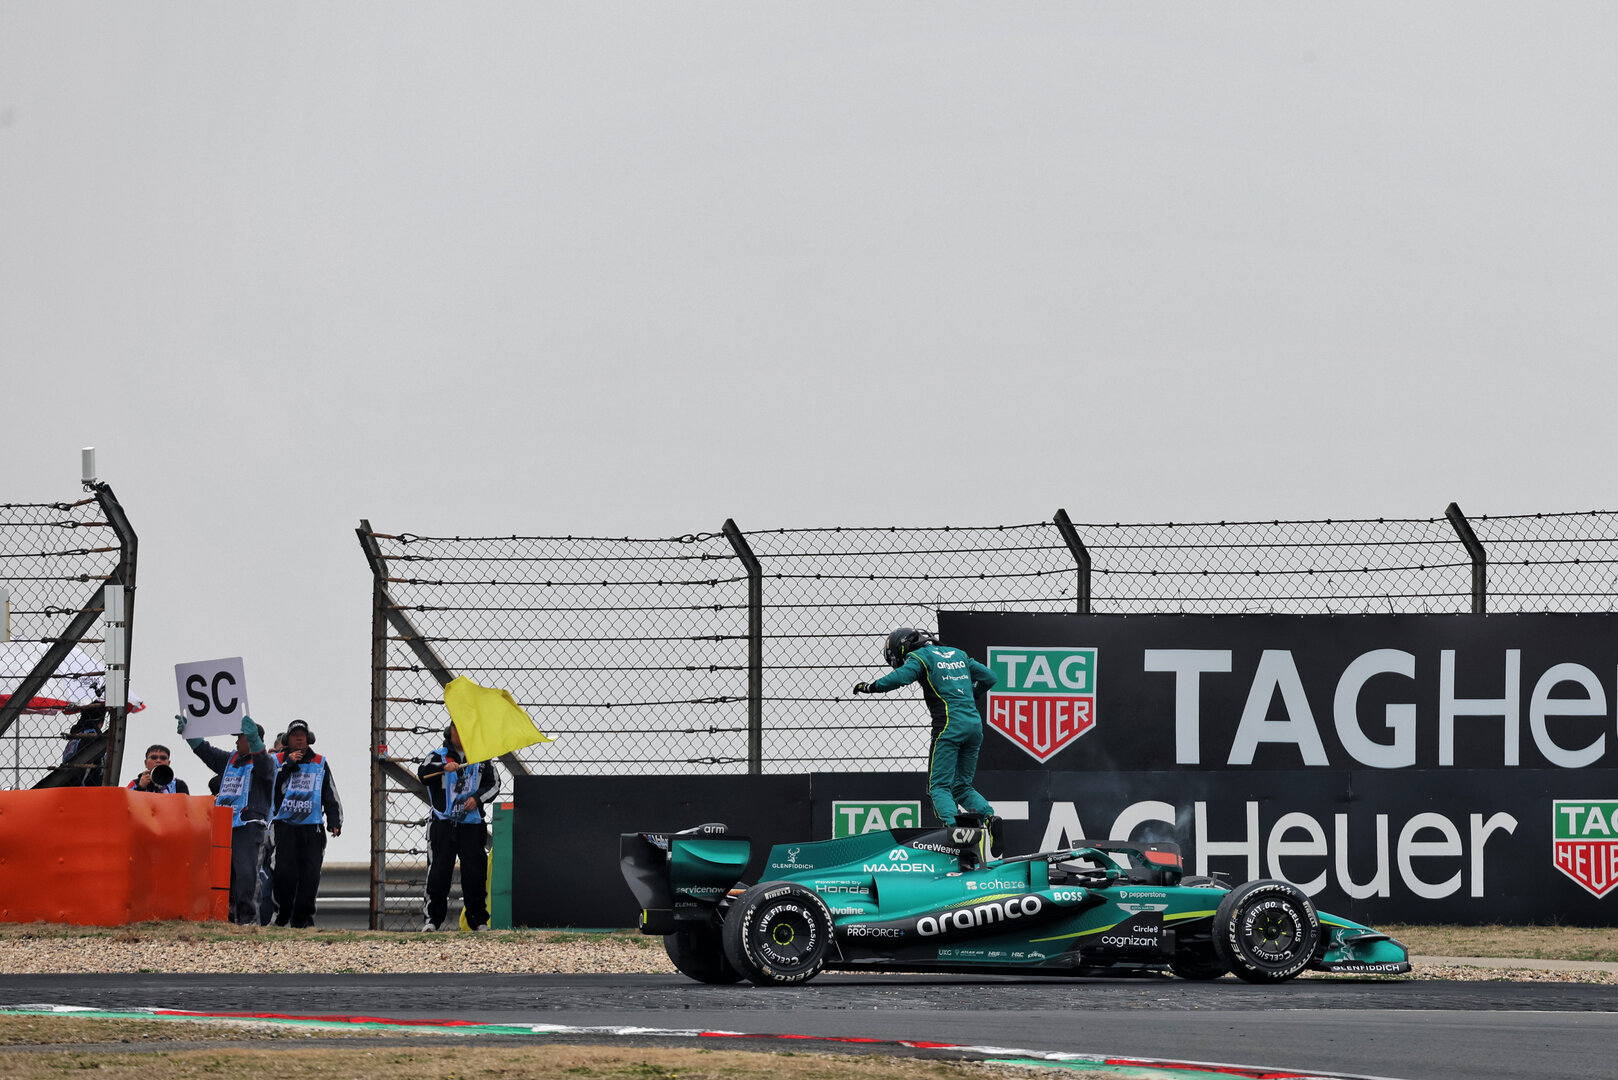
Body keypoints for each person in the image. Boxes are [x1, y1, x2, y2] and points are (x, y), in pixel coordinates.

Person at [854, 628, 999, 829]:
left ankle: (954, 829)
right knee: (961, 787)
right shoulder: (958, 654)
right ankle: (989, 818)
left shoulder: (920, 657)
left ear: (902, 649)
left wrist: (871, 687)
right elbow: (990, 677)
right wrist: (974, 693)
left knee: (938, 787)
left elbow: (900, 677)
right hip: (974, 726)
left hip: (948, 727)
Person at [180, 713, 276, 924]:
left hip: (249, 827)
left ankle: (248, 920)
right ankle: (227, 918)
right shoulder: (231, 760)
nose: (236, 742)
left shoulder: (265, 763)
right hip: (225, 825)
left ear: (251, 739)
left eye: (240, 738)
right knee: (224, 874)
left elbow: (263, 764)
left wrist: (255, 742)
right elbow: (208, 753)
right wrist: (191, 735)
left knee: (246, 874)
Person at [417, 722, 499, 931]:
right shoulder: (437, 756)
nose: (460, 734)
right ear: (450, 730)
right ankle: (432, 920)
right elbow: (423, 774)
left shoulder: (482, 758)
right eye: (456, 728)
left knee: (475, 873)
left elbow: (494, 784)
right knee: (438, 872)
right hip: (442, 823)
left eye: (464, 728)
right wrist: (443, 768)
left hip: (472, 825)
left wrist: (477, 799)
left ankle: (478, 920)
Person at [269, 719, 343, 928]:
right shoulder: (277, 761)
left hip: (312, 827)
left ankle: (303, 920)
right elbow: (270, 787)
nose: (299, 739)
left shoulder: (319, 761)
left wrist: (334, 820)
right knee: (283, 873)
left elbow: (329, 792)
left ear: (309, 739)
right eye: (295, 736)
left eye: (302, 735)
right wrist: (288, 765)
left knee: (310, 874)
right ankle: (282, 916)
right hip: (285, 826)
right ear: (288, 739)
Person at [257, 731, 286, 925]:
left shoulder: (299, 769)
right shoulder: (265, 767)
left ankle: (282, 921)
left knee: (284, 882)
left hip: (285, 834)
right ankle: (262, 921)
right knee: (263, 882)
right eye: (280, 751)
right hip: (263, 832)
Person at [60, 704, 108, 786]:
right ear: (101, 722)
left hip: (67, 785)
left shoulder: (76, 737)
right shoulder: (92, 737)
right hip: (85, 790)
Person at [126, 744, 190, 793]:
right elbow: (125, 803)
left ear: (168, 763)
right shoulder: (135, 783)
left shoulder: (178, 785)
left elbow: (185, 805)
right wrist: (140, 787)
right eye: (154, 757)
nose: (158, 760)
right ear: (146, 763)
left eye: (163, 758)